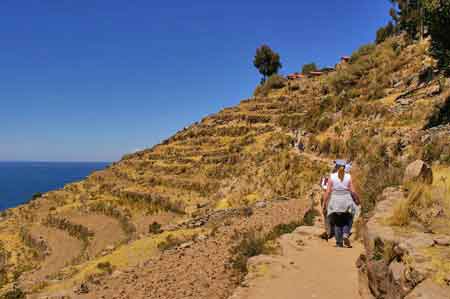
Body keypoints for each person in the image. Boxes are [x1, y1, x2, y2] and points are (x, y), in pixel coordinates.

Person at [323, 160, 359, 248]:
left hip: (335, 200)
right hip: (346, 199)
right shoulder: (348, 176)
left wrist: (324, 203)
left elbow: (327, 192)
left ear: (337, 167)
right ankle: (346, 234)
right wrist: (357, 199)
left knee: (337, 222)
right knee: (348, 218)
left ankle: (339, 243)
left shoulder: (332, 176)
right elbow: (353, 191)